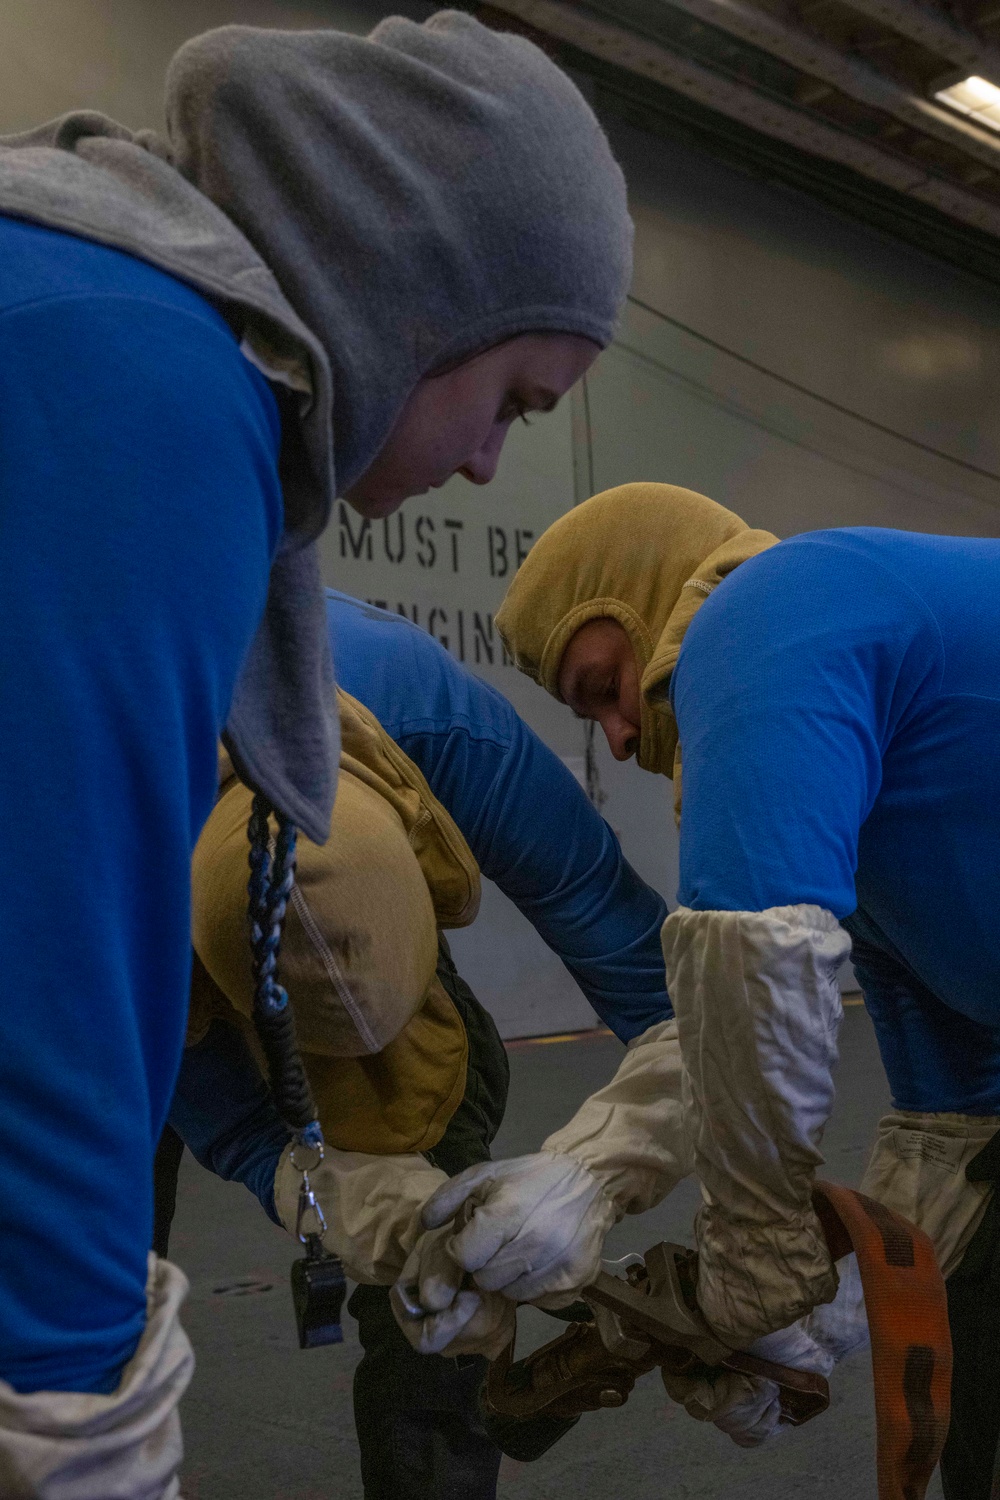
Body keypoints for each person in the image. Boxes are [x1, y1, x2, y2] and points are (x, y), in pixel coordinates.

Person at [0, 15, 632, 1495]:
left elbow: (619, 931)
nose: (488, 465)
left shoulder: (93, 301)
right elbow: (66, 975)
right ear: (417, 292)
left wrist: (619, 1161)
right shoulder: (149, 372)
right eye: (515, 405)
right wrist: (82, 1429)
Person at [411, 480, 1000, 1492]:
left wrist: (757, 1256)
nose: (620, 739)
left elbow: (750, 963)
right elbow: (952, 1121)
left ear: (653, 602)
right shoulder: (879, 810)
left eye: (603, 686)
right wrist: (833, 1308)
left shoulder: (765, 602)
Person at [162, 592, 676, 1495]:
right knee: (70, 1313)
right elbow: (220, 1115)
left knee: (439, 1169)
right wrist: (315, 1186)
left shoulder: (433, 719)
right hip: (86, 936)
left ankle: (442, 1441)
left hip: (308, 840)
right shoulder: (64, 853)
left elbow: (621, 939)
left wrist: (700, 1179)